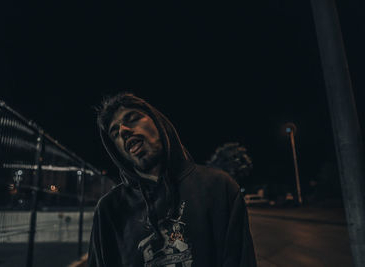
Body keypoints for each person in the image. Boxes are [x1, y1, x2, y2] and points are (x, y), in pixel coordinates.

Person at [88, 92, 257, 267]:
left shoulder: (218, 187)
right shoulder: (109, 210)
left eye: (133, 118)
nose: (123, 131)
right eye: (115, 133)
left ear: (159, 123)